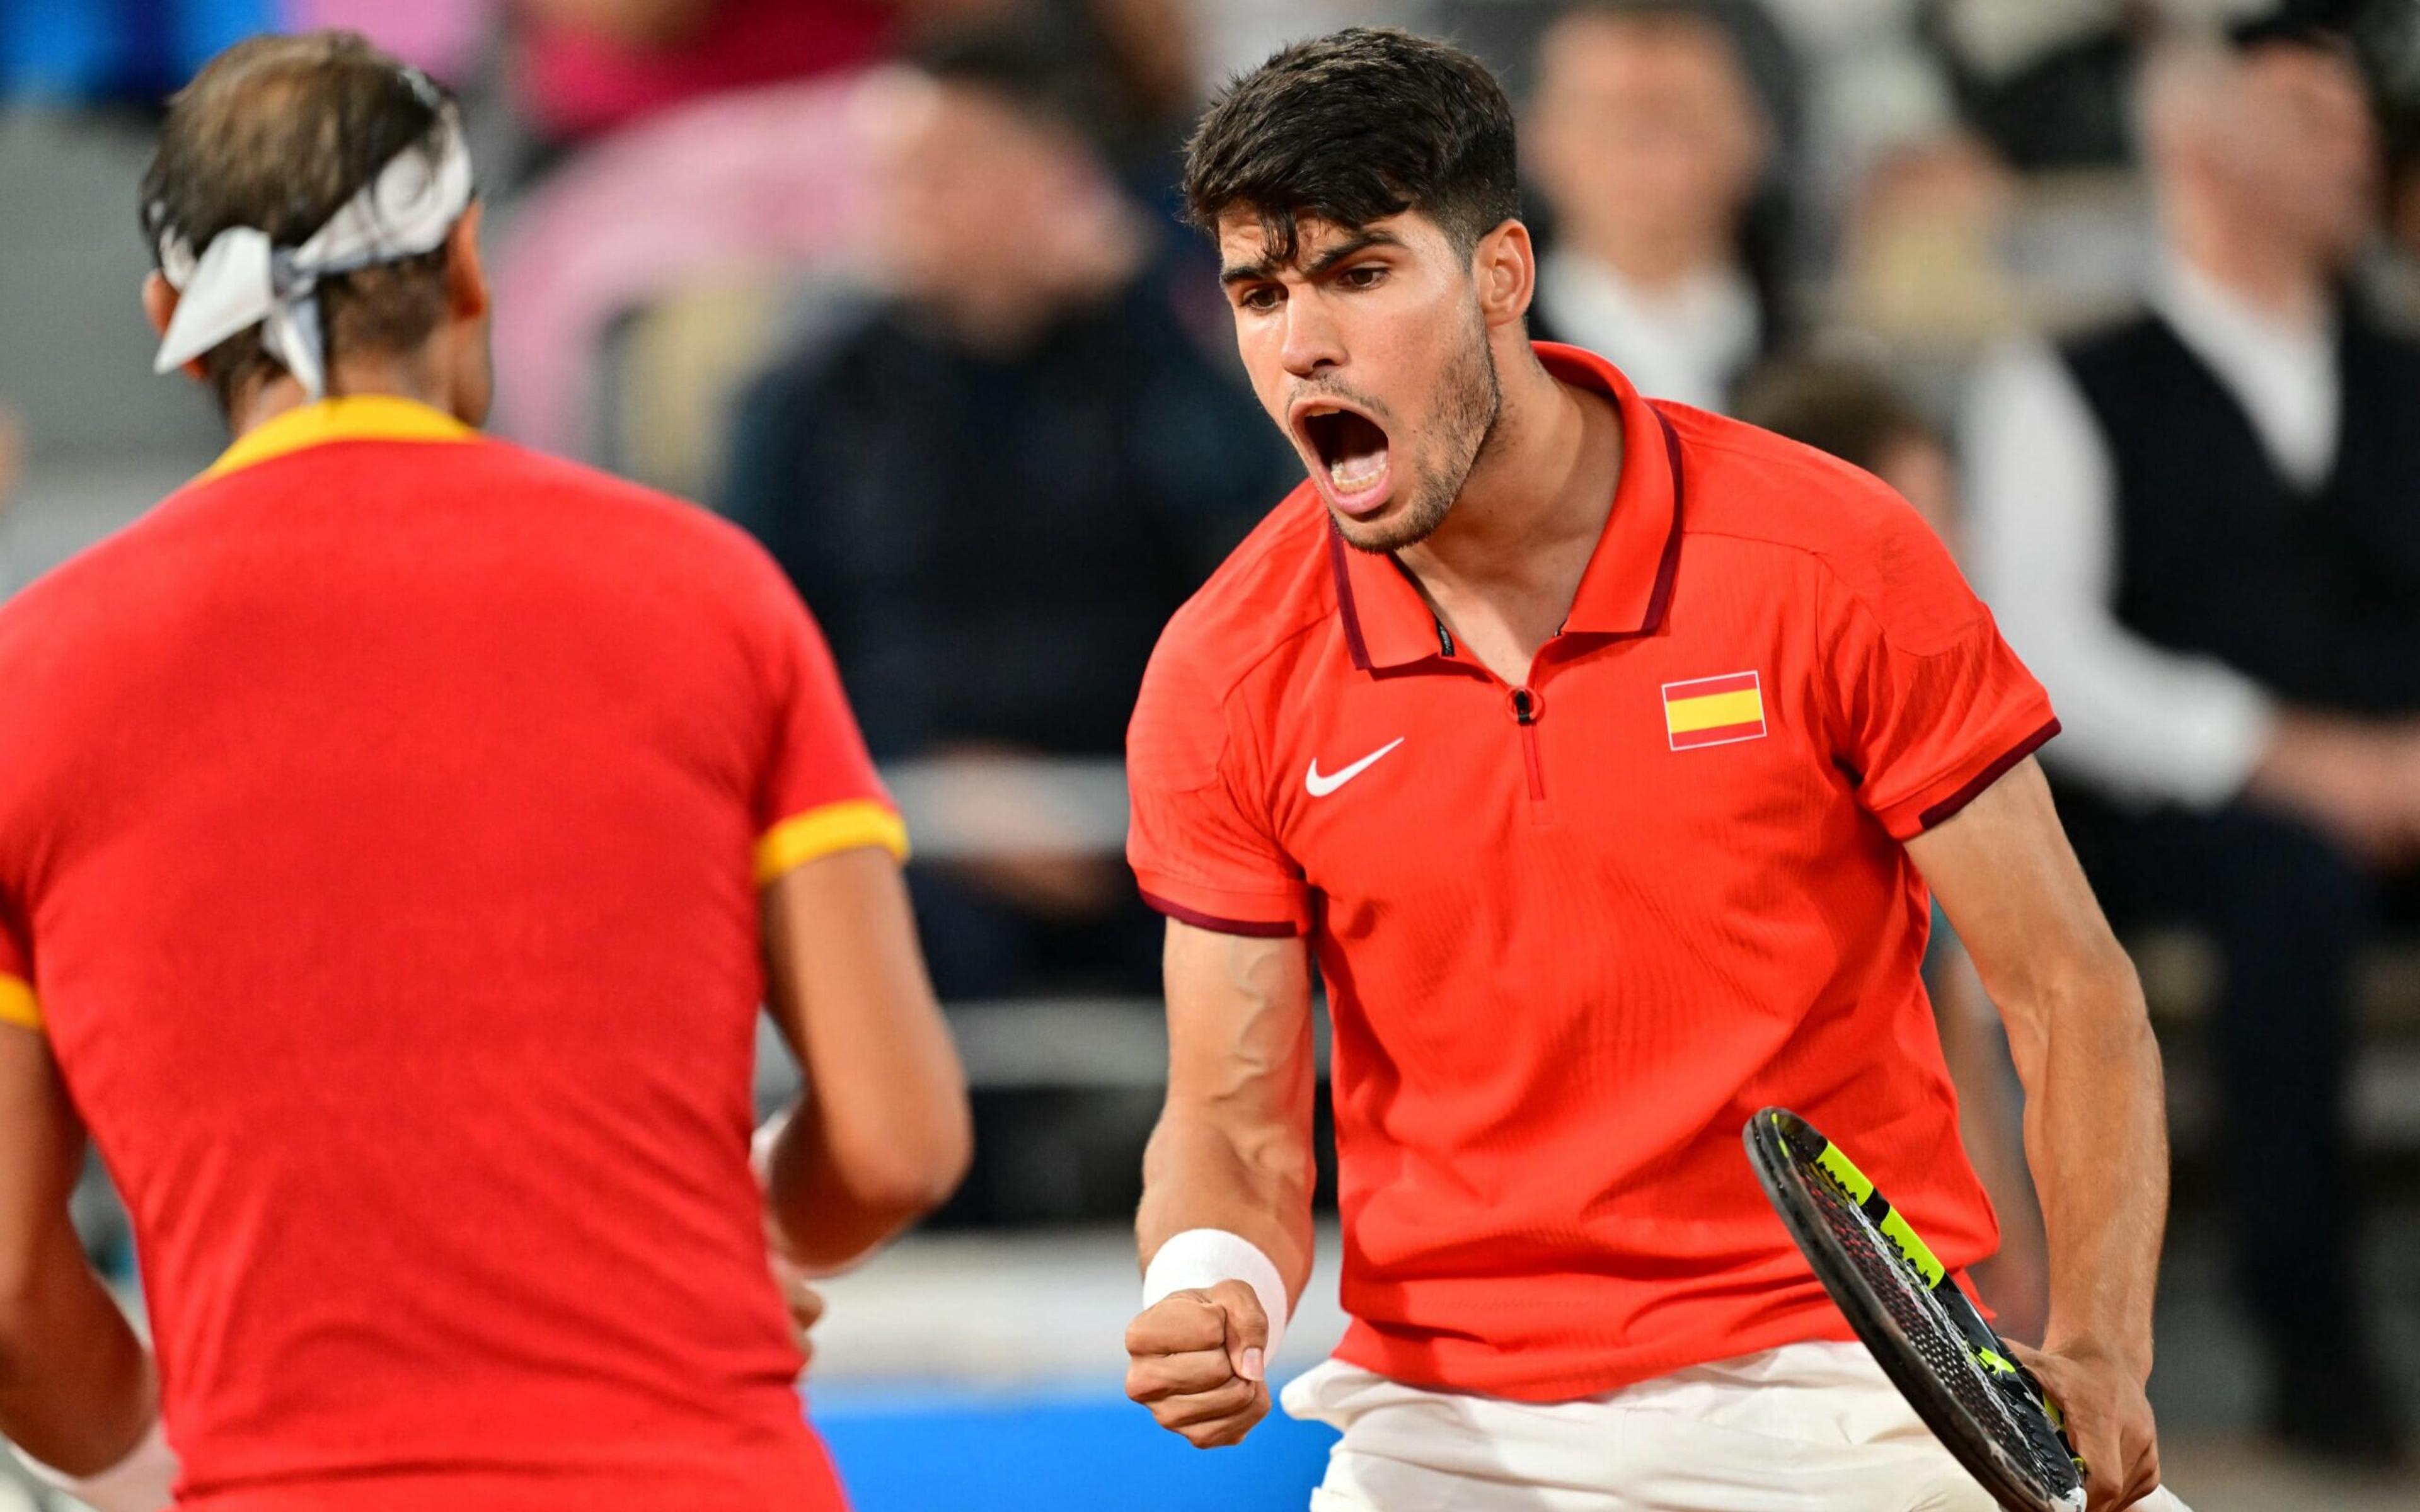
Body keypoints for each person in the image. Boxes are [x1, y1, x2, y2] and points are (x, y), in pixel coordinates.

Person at [1119, 28, 2184, 1512]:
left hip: (1847, 1384)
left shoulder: (1827, 553)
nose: (1301, 342)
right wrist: (1207, 1274)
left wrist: (2099, 1344)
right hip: (1446, 1425)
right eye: (1260, 291)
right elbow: (1229, 1118)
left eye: (1360, 274)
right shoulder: (1223, 664)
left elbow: (2067, 987)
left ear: (1500, 272)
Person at [0, 33, 969, 1512]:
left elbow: (9, 1290)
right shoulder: (706, 588)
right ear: (466, 260)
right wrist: (742, 1232)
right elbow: (897, 1136)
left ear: (173, 322)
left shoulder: (31, 672)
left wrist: (162, 1412)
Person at [1964, 17, 2419, 1467]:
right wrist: (2294, 758)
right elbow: (2041, 650)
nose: (2349, 139)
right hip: (2162, 816)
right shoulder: (2064, 382)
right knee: (2283, 880)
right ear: (2188, 139)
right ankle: (2316, 1350)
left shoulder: (2403, 367)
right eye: (2304, 110)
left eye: (2355, 116)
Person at [721, 21, 1293, 1002]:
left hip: (1151, 805)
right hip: (899, 815)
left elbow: (1263, 568)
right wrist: (922, 775)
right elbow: (755, 650)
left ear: (1051, 173)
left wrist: (1147, 315)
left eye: (945, 167)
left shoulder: (1149, 362)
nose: (907, 201)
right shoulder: (810, 395)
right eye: (892, 171)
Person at [1734, 353, 2051, 1344]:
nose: (1959, 554)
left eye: (1951, 521)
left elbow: (1971, 1036)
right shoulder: (1762, 809)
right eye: (1918, 533)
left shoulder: (1935, 773)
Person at [1523, 0, 1780, 411]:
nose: (1643, 151)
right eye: (1609, 120)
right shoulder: (1477, 367)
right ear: (1541, 142)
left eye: (1677, 116)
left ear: (1750, 137)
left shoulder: (1831, 364)